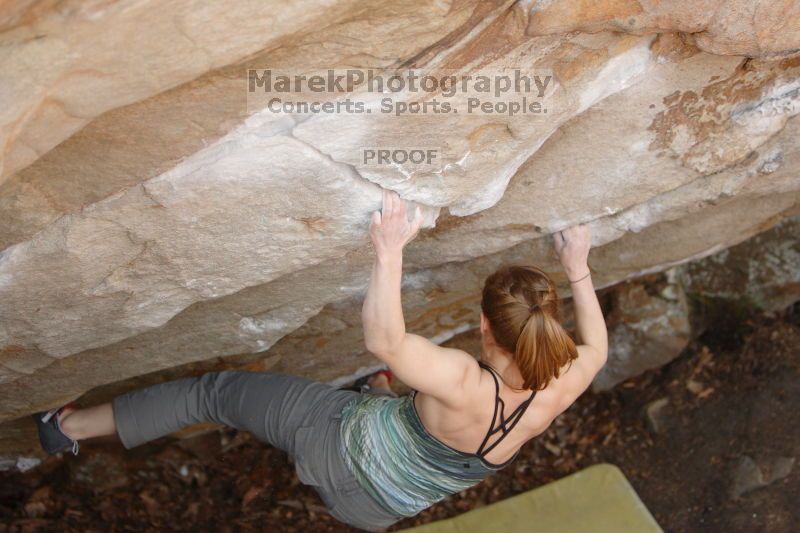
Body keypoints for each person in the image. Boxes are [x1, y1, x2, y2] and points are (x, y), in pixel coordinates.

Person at [35, 190, 607, 531]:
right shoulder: (561, 385)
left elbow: (387, 338)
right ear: (549, 327)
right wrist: (580, 265)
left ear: (484, 326)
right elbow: (597, 350)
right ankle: (378, 392)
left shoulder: (460, 380)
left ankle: (65, 429)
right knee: (394, 399)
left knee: (211, 393)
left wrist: (389, 250)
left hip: (335, 447)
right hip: (378, 512)